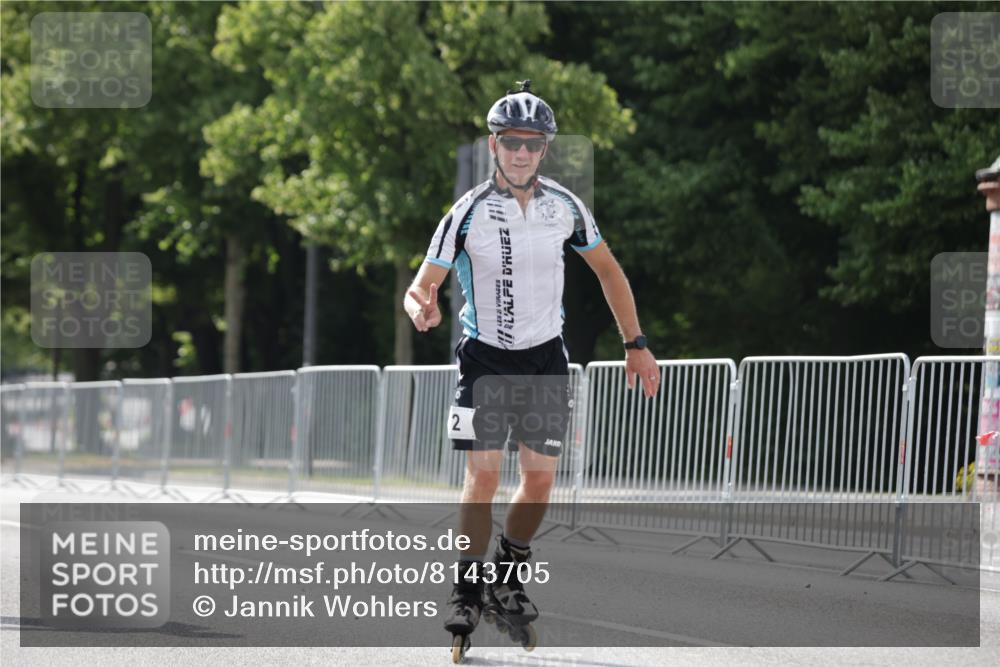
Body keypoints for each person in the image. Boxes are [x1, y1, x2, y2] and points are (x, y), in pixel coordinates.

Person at [403, 80, 660, 644]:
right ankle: (466, 588)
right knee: (483, 476)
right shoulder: (466, 212)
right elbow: (421, 284)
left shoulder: (566, 207)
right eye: (511, 141)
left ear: (545, 149)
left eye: (533, 143)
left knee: (540, 481)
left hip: (545, 360)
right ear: (493, 145)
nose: (521, 152)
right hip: (484, 362)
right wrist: (421, 306)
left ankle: (508, 574)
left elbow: (608, 271)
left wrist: (635, 343)